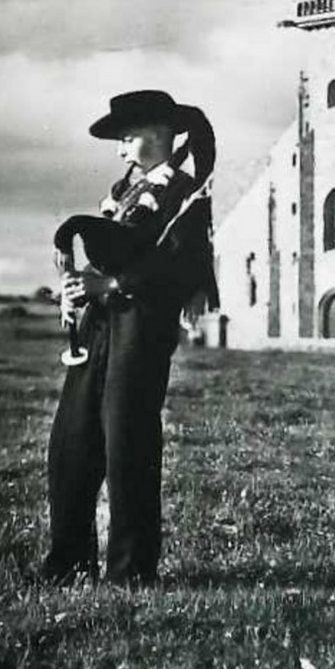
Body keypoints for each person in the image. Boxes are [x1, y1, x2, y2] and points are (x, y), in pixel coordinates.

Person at [43, 90, 218, 587]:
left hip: (142, 326)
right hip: (100, 326)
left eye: (128, 137)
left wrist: (112, 284)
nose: (121, 150)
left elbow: (177, 267)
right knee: (72, 442)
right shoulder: (123, 192)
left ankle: (130, 572)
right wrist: (80, 289)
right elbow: (111, 251)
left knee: (128, 443)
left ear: (162, 134)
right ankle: (69, 565)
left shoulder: (184, 194)